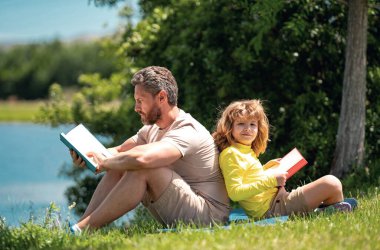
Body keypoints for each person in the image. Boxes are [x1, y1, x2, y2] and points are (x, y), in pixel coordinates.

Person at [69, 66, 230, 233]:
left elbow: (142, 160)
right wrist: (88, 155)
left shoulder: (187, 130)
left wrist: (106, 161)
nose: (136, 108)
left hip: (210, 216)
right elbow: (119, 152)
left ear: (161, 97)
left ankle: (83, 229)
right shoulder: (153, 128)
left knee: (142, 168)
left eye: (140, 101)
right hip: (184, 209)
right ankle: (80, 228)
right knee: (121, 164)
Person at [212, 99, 354, 220]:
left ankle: (325, 212)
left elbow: (250, 177)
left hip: (278, 200)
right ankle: (325, 213)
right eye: (241, 124)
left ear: (258, 128)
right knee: (332, 183)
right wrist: (272, 180)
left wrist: (269, 168)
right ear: (230, 128)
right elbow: (235, 193)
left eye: (252, 124)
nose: (247, 129)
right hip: (272, 210)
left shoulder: (245, 151)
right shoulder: (231, 154)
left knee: (334, 188)